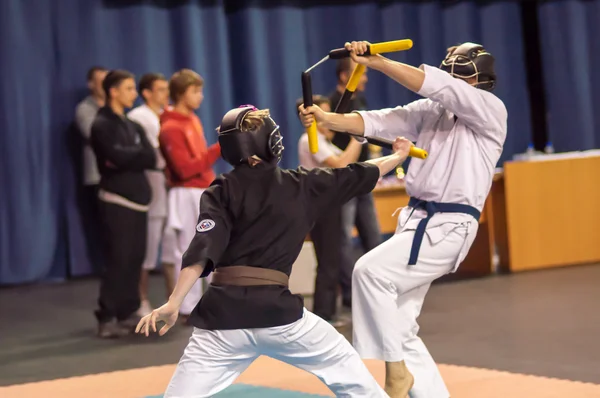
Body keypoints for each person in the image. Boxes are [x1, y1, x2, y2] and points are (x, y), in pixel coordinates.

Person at [136, 105, 414, 397]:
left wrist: (173, 303)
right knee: (350, 373)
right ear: (272, 142)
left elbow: (203, 248)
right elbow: (358, 173)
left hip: (221, 320)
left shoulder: (220, 189)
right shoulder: (302, 185)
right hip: (280, 316)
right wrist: (398, 156)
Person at [299, 41, 507, 398]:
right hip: (416, 220)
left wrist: (377, 62)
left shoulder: (489, 109)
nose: (452, 76)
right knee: (401, 326)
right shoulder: (431, 110)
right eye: (450, 68)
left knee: (368, 272)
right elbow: (381, 120)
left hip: (449, 226)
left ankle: (395, 373)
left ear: (481, 78)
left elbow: (433, 83)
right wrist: (328, 119)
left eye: (460, 71)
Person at [90, 69, 157, 338]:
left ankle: (128, 312)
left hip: (138, 201)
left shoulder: (133, 125)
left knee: (134, 258)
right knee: (118, 260)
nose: (134, 93)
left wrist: (131, 156)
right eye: (129, 88)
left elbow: (150, 156)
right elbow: (114, 157)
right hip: (116, 201)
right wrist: (132, 156)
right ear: (113, 91)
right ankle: (107, 317)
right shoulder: (101, 124)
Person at [158, 69, 221, 323]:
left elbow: (200, 163)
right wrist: (219, 147)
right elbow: (184, 169)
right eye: (195, 92)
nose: (201, 97)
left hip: (202, 189)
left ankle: (213, 301)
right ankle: (186, 307)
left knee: (213, 245)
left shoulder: (192, 120)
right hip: (185, 193)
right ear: (181, 94)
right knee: (187, 249)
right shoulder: (170, 127)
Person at [296, 95, 362, 326]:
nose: (325, 120)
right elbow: (342, 164)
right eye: (320, 114)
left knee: (330, 259)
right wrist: (358, 138)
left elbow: (347, 162)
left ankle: (327, 313)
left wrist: (357, 141)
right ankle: (323, 315)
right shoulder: (309, 140)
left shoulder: (323, 141)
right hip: (320, 205)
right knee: (327, 260)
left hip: (327, 203)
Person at [329, 58, 382, 311]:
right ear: (343, 77)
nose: (365, 79)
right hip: (343, 181)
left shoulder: (360, 102)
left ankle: (380, 287)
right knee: (343, 239)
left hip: (363, 178)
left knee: (374, 236)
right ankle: (351, 293)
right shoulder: (332, 104)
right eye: (360, 73)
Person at [127, 73, 171, 317]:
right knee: (147, 246)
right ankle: (140, 299)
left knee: (171, 246)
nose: (166, 94)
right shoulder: (138, 117)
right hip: (150, 183)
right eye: (161, 89)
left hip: (170, 186)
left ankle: (174, 298)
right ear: (147, 93)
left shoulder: (169, 115)